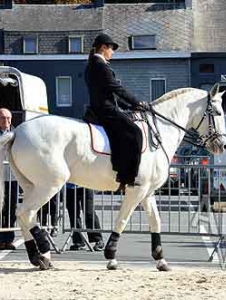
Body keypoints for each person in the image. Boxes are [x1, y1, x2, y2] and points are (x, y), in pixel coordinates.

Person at [83, 32, 149, 191]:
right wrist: (137, 102)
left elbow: (109, 93)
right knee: (135, 132)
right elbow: (116, 89)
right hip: (105, 110)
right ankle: (128, 177)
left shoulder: (91, 65)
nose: (112, 52)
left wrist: (131, 107)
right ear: (104, 47)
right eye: (111, 48)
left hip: (99, 107)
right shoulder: (101, 66)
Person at [66, 184, 104, 251]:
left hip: (86, 184)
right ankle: (78, 241)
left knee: (89, 212)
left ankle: (98, 239)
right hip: (70, 186)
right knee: (73, 215)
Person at [0, 108, 18, 250]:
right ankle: (1, 239)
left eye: (8, 118)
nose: (6, 121)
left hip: (12, 177)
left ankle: (9, 239)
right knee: (1, 210)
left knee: (11, 210)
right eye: (2, 118)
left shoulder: (16, 134)